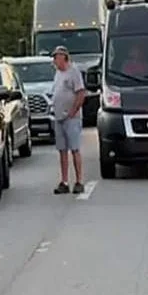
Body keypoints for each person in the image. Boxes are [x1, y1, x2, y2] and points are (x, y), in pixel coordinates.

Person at [50, 45, 87, 194]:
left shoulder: (73, 72)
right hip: (59, 117)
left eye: (56, 57)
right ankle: (64, 181)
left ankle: (79, 181)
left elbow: (80, 93)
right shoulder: (58, 74)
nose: (54, 60)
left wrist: (73, 111)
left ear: (63, 57)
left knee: (74, 149)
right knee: (62, 150)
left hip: (71, 118)